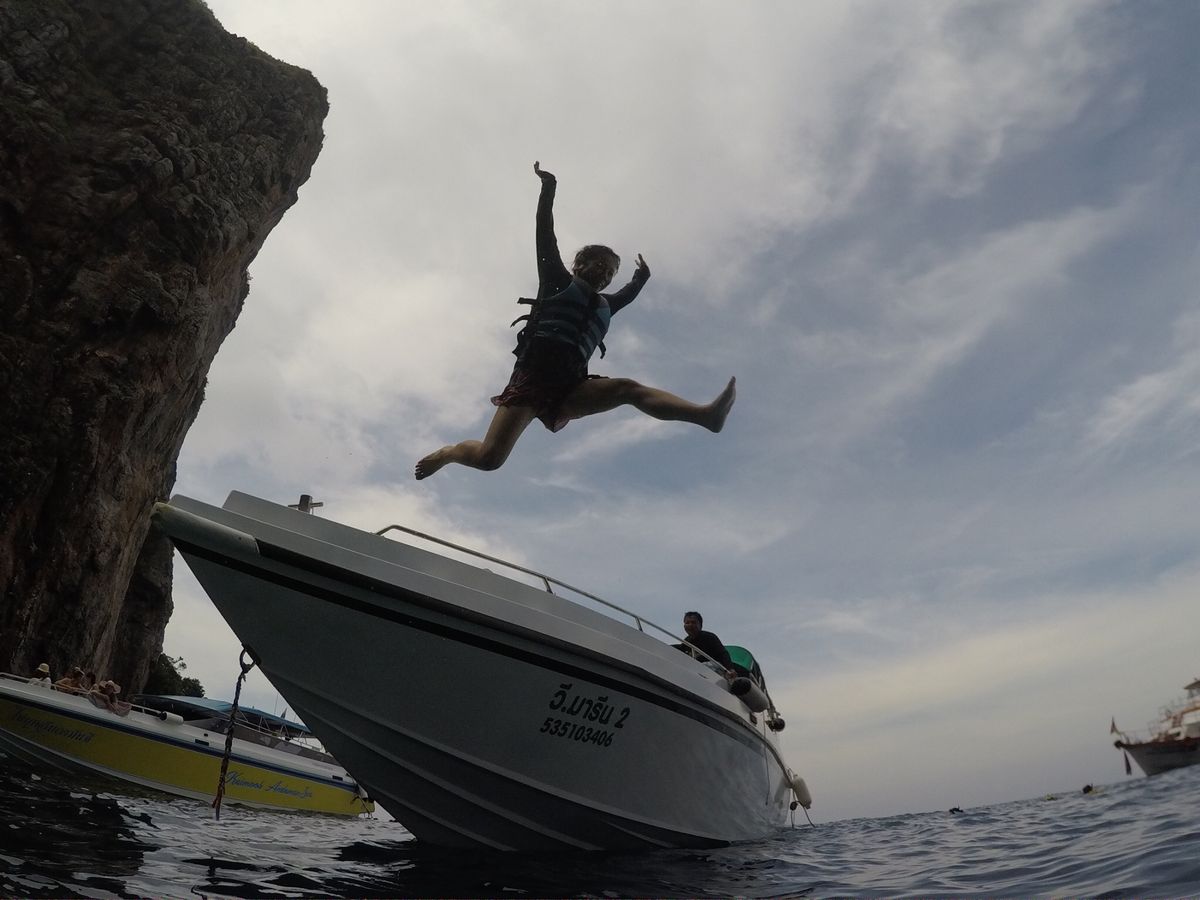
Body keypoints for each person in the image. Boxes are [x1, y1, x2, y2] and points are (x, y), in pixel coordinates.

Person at [414, 162, 737, 479]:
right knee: (489, 459)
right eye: (601, 266)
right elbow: (545, 233)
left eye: (611, 273)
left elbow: (628, 294)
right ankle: (449, 453)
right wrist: (548, 188)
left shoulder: (606, 305)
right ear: (580, 264)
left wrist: (642, 278)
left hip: (572, 385)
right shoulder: (556, 280)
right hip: (532, 378)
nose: (606, 275)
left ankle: (704, 416)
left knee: (627, 389)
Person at [678, 611, 735, 677]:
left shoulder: (710, 637)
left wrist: (730, 669)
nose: (690, 625)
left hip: (713, 668)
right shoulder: (685, 643)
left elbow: (723, 654)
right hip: (695, 671)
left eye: (693, 622)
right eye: (687, 623)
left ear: (700, 625)